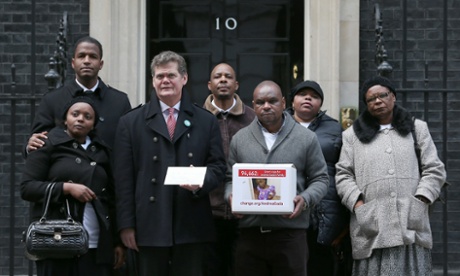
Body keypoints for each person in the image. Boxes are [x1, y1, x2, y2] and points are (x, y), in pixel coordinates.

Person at [113, 50, 227, 276]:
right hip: (149, 224)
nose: (165, 81)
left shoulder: (206, 121)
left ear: (184, 79)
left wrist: (201, 180)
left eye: (171, 75)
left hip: (191, 222)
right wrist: (126, 225)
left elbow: (219, 168)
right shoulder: (131, 122)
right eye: (159, 76)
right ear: (153, 81)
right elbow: (123, 180)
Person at [335, 76, 446, 275]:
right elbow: (343, 175)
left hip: (410, 222)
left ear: (393, 97)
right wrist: (359, 205)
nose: (377, 101)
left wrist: (420, 200)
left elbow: (434, 169)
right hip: (372, 225)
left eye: (382, 95)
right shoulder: (352, 135)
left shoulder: (416, 128)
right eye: (371, 99)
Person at [224, 80, 329, 276]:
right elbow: (230, 178)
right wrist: (231, 197)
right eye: (260, 102)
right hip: (250, 235)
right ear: (253, 105)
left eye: (272, 101)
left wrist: (304, 200)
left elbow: (321, 179)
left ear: (283, 102)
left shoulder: (305, 138)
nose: (266, 106)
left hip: (290, 235)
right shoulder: (240, 138)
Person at [21, 97, 125, 276]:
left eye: (87, 116)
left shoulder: (102, 151)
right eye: (75, 114)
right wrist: (66, 188)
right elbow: (27, 188)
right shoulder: (46, 143)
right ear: (65, 119)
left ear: (93, 124)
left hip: (96, 241)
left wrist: (116, 242)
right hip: (57, 240)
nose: (80, 119)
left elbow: (112, 199)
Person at [287, 80, 352, 276]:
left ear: (320, 104)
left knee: (319, 265)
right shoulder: (278, 125)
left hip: (324, 210)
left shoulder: (334, 129)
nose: (308, 98)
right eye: (302, 94)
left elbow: (345, 170)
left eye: (314, 96)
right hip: (287, 208)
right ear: (291, 102)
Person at [26, 36, 131, 153]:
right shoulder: (52, 100)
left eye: (93, 56)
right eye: (81, 56)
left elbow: (128, 147)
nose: (87, 61)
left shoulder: (120, 101)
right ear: (73, 63)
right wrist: (29, 148)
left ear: (101, 64)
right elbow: (37, 145)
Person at [203, 62, 256, 276]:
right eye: (217, 76)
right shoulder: (198, 118)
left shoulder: (253, 119)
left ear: (236, 84)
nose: (223, 80)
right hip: (208, 211)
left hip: (245, 212)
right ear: (209, 84)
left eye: (228, 76)